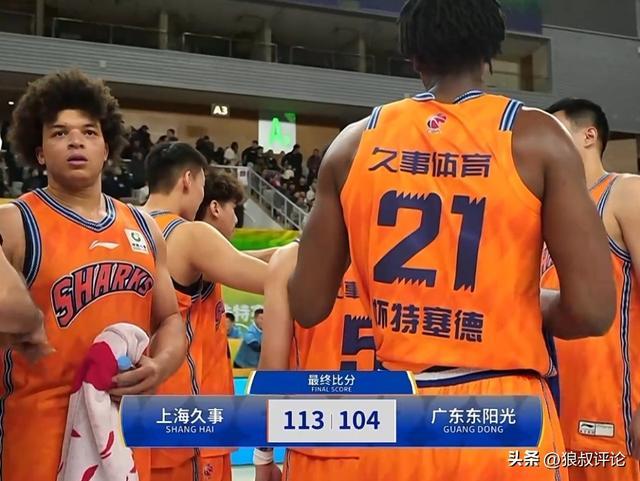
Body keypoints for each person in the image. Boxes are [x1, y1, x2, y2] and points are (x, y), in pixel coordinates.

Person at [287, 1, 616, 480]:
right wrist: (522, 304)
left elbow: (308, 303)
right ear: (490, 55)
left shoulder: (352, 144)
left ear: (413, 57)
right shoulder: (537, 137)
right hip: (504, 414)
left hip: (398, 416)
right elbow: (593, 311)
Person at [0, 69, 185, 481]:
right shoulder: (14, 224)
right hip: (36, 437)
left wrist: (160, 366)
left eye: (88, 132)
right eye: (60, 133)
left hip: (122, 429)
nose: (76, 141)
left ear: (107, 148)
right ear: (39, 152)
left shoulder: (145, 228)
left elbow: (171, 319)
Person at [142, 144, 268, 481]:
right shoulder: (189, 233)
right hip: (190, 421)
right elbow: (271, 279)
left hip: (141, 416)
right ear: (188, 179)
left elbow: (241, 261)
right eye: (201, 183)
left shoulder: (127, 225)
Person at [544, 98, 640, 481]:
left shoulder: (625, 193)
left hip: (610, 410)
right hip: (550, 412)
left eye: (556, 131)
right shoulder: (542, 213)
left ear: (588, 136)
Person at [257, 240, 375, 481]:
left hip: (314, 442)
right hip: (389, 444)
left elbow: (273, 373)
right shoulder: (405, 259)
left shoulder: (291, 259)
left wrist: (263, 456)